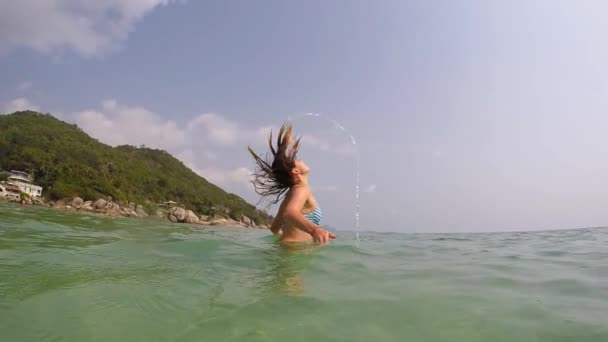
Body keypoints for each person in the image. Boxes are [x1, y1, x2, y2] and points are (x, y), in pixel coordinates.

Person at [248, 122, 336, 244]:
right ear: (295, 171)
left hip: (288, 249)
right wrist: (315, 230)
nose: (300, 159)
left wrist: (289, 236)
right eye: (297, 160)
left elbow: (274, 228)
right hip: (294, 252)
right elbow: (290, 213)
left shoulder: (291, 194)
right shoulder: (301, 190)